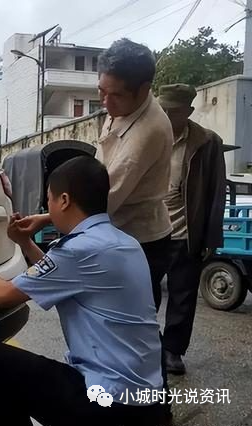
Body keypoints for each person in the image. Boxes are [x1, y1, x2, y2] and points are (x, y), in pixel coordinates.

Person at [0, 156, 164, 426]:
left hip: (109, 406)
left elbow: (3, 295)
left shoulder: (78, 250)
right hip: (148, 400)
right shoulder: (126, 243)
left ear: (64, 200)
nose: (48, 209)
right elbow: (62, 275)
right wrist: (25, 242)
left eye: (49, 200)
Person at [95, 38, 174, 312]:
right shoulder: (120, 106)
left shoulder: (148, 131)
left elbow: (105, 198)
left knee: (134, 320)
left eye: (115, 95)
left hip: (140, 242)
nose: (106, 103)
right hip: (114, 230)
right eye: (101, 91)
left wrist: (50, 217)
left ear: (144, 89)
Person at [158, 83, 226, 375]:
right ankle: (147, 345)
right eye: (162, 110)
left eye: (173, 111)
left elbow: (217, 191)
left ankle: (172, 351)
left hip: (186, 233)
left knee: (183, 296)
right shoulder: (150, 136)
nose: (165, 116)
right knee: (143, 293)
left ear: (188, 111)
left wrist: (212, 236)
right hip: (150, 231)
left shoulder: (207, 142)